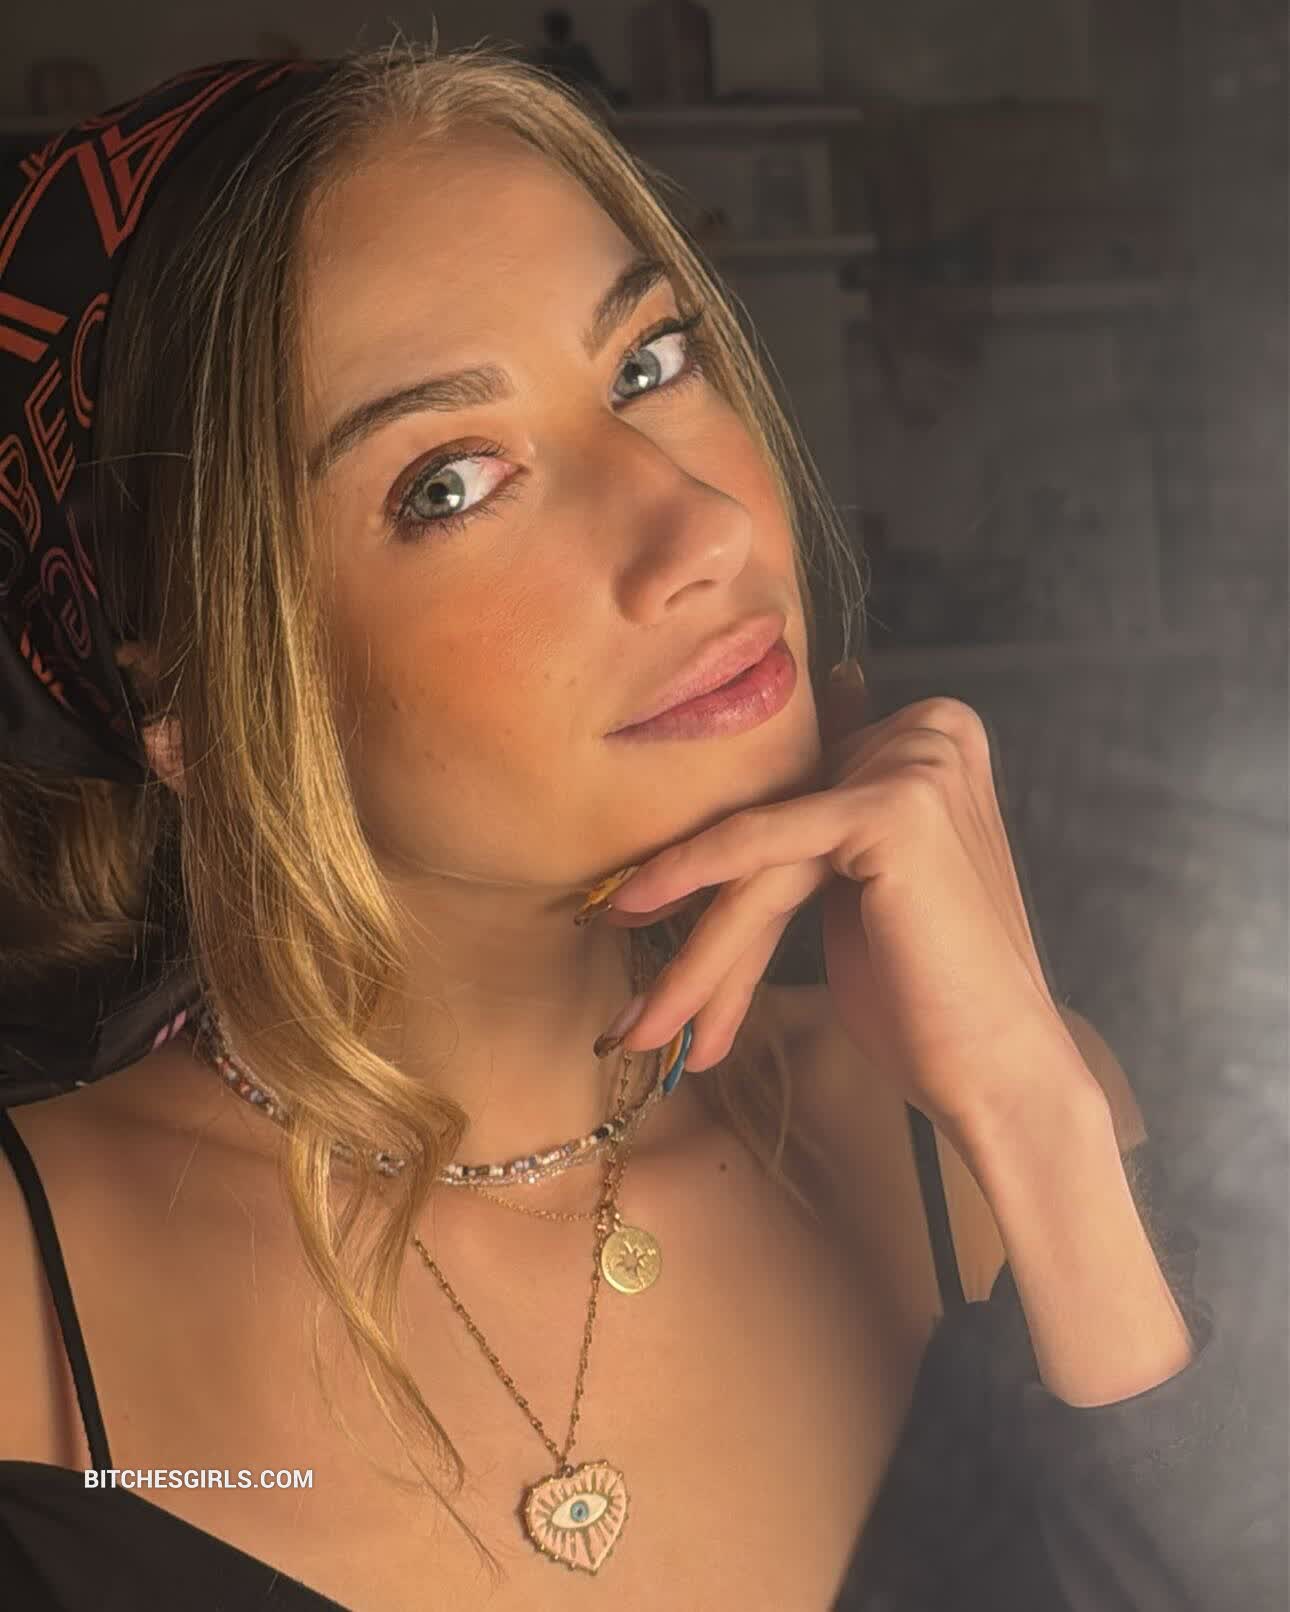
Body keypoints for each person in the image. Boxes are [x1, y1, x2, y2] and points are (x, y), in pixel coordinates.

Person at [0, 42, 1263, 1612]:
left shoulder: (985, 1133)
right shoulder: (22, 1297)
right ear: (185, 690)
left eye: (650, 364)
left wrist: (1035, 1114)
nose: (703, 527)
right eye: (451, 482)